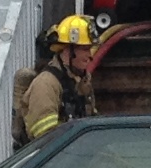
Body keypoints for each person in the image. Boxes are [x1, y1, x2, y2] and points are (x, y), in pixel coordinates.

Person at [15, 14, 103, 151]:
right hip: (55, 160)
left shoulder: (80, 82)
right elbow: (45, 137)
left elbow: (91, 119)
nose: (90, 55)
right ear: (68, 49)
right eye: (85, 49)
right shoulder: (46, 84)